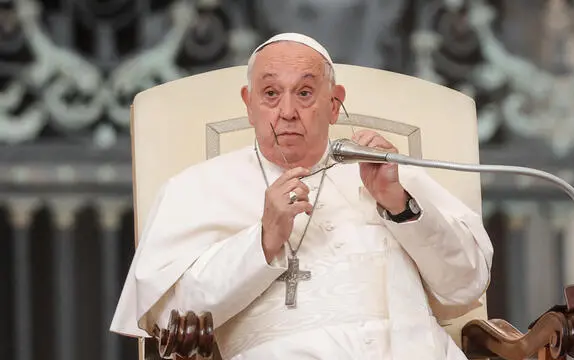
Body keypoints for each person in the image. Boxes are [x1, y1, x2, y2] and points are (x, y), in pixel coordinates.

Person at [111, 32, 494, 360]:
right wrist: (262, 241)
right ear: (248, 104)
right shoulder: (196, 188)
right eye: (271, 94)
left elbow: (467, 282)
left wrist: (400, 207)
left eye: (306, 92)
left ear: (334, 103)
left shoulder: (389, 171)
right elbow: (172, 319)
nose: (288, 111)